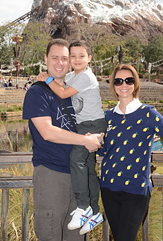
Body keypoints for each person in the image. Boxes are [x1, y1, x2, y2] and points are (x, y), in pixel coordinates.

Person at [98, 64, 163, 240]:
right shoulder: (107, 116)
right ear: (113, 85)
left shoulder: (147, 113)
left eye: (128, 80)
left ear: (135, 84)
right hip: (109, 187)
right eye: (118, 81)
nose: (124, 85)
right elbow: (105, 150)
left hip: (136, 189)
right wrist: (91, 142)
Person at [22, 38, 103, 240]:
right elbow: (47, 132)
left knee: (76, 236)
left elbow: (93, 117)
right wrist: (85, 141)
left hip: (80, 176)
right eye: (54, 58)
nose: (60, 63)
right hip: (52, 174)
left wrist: (99, 134)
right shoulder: (38, 92)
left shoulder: (74, 91)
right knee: (50, 232)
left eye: (64, 58)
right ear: (46, 59)